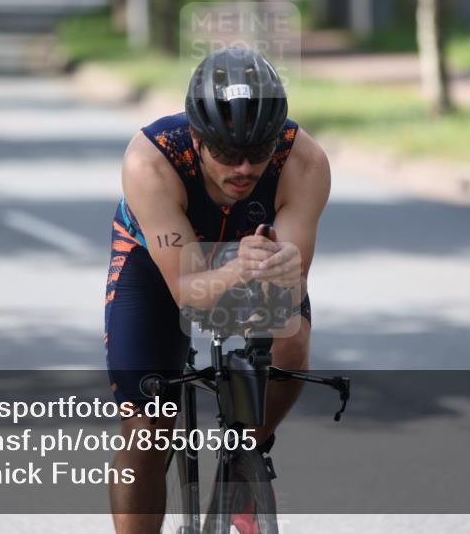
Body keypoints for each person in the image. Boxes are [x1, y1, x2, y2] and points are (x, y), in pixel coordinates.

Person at [103, 45, 331, 533]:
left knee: (289, 342)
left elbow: (290, 285)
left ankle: (244, 460)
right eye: (227, 154)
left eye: (257, 153)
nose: (244, 169)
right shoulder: (152, 159)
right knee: (146, 430)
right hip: (159, 263)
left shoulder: (303, 161)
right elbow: (186, 290)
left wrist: (279, 268)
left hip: (254, 254)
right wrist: (235, 270)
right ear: (198, 139)